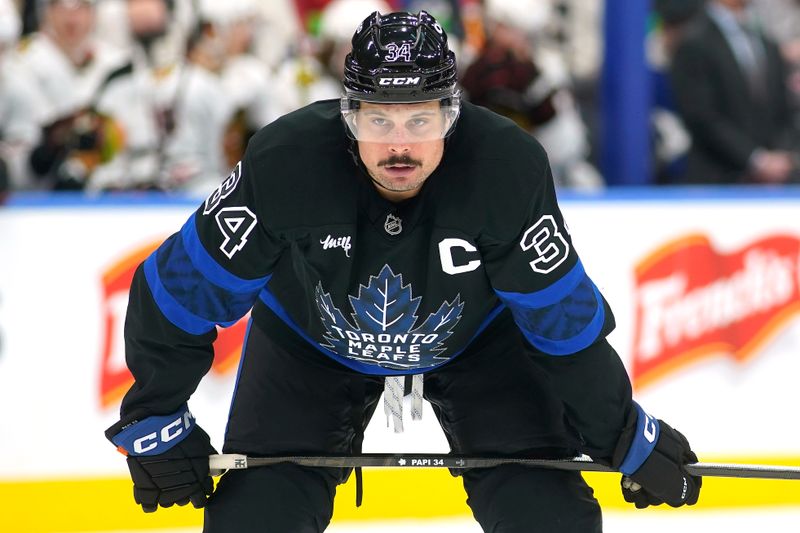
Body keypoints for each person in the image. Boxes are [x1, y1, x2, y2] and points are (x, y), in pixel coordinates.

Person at [105, 11, 701, 533]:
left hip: (481, 343)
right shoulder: (284, 163)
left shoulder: (506, 169)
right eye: (378, 120)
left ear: (452, 114)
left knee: (549, 518)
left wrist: (622, 433)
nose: (399, 146)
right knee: (256, 519)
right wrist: (155, 417)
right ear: (348, 115)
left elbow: (562, 324)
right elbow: (174, 292)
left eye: (420, 121)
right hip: (309, 341)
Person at [669, 0, 800, 184]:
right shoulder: (693, 40)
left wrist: (779, 159)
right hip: (718, 181)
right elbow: (700, 115)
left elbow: (781, 108)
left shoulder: (766, 41)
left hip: (774, 182)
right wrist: (755, 160)